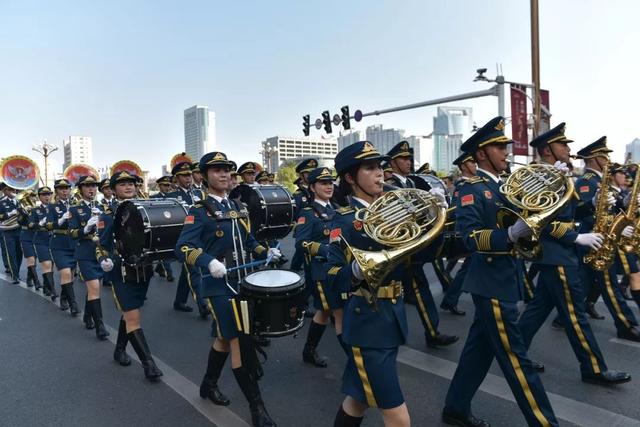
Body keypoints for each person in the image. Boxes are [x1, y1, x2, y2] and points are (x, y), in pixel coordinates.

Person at [443, 117, 558, 427]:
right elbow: (468, 237)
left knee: (478, 352)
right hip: (491, 283)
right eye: (498, 147)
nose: (506, 152)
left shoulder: (503, 184)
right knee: (517, 361)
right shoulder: (472, 189)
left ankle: (455, 407)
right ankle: (545, 422)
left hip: (504, 277)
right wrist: (507, 235)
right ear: (481, 154)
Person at [328, 140, 434, 427]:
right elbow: (330, 276)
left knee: (357, 400)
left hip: (390, 316)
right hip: (367, 323)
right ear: (350, 178)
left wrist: (441, 221)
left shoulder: (393, 209)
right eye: (370, 168)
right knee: (398, 417)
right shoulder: (343, 221)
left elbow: (422, 253)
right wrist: (355, 270)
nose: (380, 174)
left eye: (380, 167)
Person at [517, 123, 631, 386]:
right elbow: (539, 219)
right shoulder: (538, 177)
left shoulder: (559, 174)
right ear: (548, 150)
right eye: (563, 145)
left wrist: (588, 206)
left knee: (538, 309)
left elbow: (567, 213)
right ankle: (593, 368)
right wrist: (575, 237)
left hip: (557, 255)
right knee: (575, 314)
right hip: (558, 255)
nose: (568, 149)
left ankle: (515, 353)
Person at [175, 151, 281, 427]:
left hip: (243, 281)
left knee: (224, 337)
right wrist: (208, 261)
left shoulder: (237, 207)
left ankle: (208, 384)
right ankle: (257, 409)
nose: (224, 174)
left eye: (227, 170)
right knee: (239, 343)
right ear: (205, 175)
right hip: (219, 286)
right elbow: (183, 247)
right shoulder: (199, 211)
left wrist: (265, 250)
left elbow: (248, 240)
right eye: (217, 170)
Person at [386, 141, 458, 349]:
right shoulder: (391, 186)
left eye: (409, 158)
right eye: (403, 159)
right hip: (399, 249)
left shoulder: (414, 182)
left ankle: (431, 332)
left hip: (414, 250)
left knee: (419, 290)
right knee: (391, 295)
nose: (408, 162)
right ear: (392, 162)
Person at [97, 170, 163, 380]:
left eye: (131, 183)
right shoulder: (108, 214)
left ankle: (119, 350)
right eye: (123, 183)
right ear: (114, 189)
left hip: (143, 268)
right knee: (133, 316)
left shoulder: (144, 209)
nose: (128, 187)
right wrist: (103, 259)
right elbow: (101, 243)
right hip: (121, 270)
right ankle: (148, 364)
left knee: (130, 314)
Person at [575, 138, 640, 341]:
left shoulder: (599, 180)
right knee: (609, 285)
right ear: (595, 158)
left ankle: (563, 316)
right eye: (604, 156)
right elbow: (585, 213)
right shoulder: (587, 180)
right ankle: (626, 325)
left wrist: (627, 202)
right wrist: (617, 229)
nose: (608, 159)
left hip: (603, 238)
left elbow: (612, 208)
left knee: (582, 284)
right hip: (594, 240)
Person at [295, 167, 345, 367]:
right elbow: (301, 242)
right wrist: (325, 249)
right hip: (320, 271)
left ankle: (309, 350)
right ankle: (357, 361)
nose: (329, 186)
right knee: (338, 313)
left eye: (330, 182)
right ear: (313, 187)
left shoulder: (336, 209)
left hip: (338, 269)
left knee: (324, 312)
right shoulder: (308, 213)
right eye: (323, 183)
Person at [68, 175, 107, 339]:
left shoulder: (102, 206)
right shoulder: (74, 209)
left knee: (95, 287)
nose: (91, 189)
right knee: (95, 288)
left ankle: (87, 316)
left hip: (100, 253)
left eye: (93, 186)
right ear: (81, 189)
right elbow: (71, 233)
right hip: (84, 252)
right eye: (87, 186)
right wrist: (86, 228)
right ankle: (100, 326)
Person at [168, 161, 208, 317]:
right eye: (184, 175)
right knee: (195, 270)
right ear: (177, 178)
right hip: (184, 238)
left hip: (201, 237)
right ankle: (203, 304)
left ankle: (179, 301)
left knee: (188, 272)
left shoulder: (200, 194)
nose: (188, 178)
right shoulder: (172, 197)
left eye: (190, 174)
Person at [439, 151, 476, 316]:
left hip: (475, 232)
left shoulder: (473, 184)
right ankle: (450, 300)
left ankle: (451, 300)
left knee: (471, 268)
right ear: (464, 166)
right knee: (468, 269)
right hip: (468, 232)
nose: (475, 165)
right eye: (471, 162)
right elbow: (455, 209)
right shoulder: (462, 186)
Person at [151, 175, 176, 282]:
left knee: (168, 249)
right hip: (159, 226)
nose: (167, 188)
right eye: (165, 185)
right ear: (159, 186)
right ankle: (169, 273)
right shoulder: (152, 198)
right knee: (163, 250)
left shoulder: (173, 197)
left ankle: (159, 268)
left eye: (169, 185)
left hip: (171, 225)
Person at [31, 186, 54, 296]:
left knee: (51, 265)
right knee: (46, 264)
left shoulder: (55, 208)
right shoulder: (35, 210)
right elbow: (30, 224)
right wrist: (39, 223)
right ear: (39, 197)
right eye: (44, 195)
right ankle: (53, 290)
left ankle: (46, 287)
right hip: (41, 239)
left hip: (54, 240)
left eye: (48, 194)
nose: (47, 196)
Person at [0, 184, 23, 284]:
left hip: (19, 230)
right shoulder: (1, 202)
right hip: (7, 231)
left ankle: (16, 271)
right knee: (11, 253)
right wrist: (9, 213)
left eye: (14, 189)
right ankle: (15, 275)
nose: (12, 191)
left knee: (19, 253)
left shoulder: (19, 202)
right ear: (5, 191)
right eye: (10, 190)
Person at [18, 190, 40, 289]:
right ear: (27, 197)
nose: (34, 197)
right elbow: (19, 221)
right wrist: (24, 213)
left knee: (33, 260)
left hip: (35, 235)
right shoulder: (22, 208)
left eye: (34, 195)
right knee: (31, 259)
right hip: (26, 235)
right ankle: (37, 282)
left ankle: (28, 278)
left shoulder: (37, 208)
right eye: (32, 196)